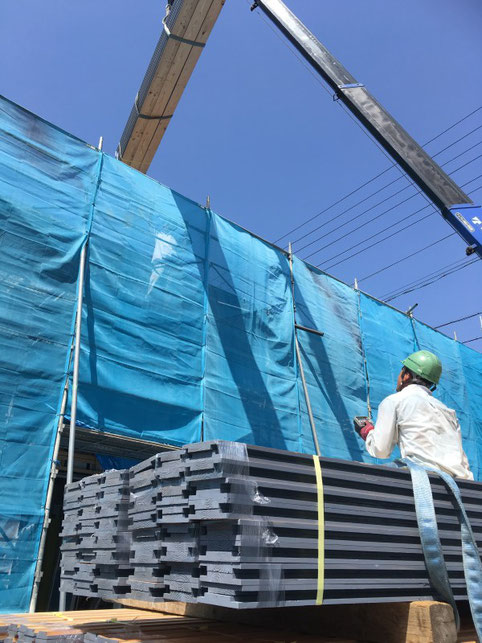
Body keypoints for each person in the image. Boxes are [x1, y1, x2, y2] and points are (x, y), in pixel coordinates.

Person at [355, 350, 473, 480]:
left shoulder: (395, 401)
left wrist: (367, 432)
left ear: (406, 376)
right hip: (459, 481)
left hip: (422, 475)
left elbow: (381, 450)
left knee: (362, 476)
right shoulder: (447, 411)